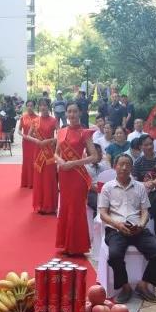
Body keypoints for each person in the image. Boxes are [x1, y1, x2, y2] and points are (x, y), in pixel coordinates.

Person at [99, 153, 156, 304]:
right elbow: (103, 213)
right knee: (114, 255)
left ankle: (143, 285)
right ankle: (125, 287)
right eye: (121, 164)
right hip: (116, 229)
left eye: (127, 165)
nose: (124, 168)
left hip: (138, 229)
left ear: (131, 168)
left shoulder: (140, 187)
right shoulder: (107, 187)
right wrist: (117, 224)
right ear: (115, 166)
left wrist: (141, 225)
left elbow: (145, 211)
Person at [55, 103, 99, 256]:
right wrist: (61, 162)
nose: (72, 114)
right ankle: (66, 244)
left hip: (77, 175)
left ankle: (77, 246)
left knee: (76, 209)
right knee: (66, 207)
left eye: (75, 111)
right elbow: (55, 153)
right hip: (64, 174)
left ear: (80, 113)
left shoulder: (85, 133)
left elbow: (94, 156)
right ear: (66, 114)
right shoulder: (61, 132)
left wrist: (73, 163)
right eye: (69, 111)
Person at [131, 136, 156, 226]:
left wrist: (154, 182)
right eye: (146, 145)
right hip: (145, 190)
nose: (149, 147)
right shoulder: (138, 162)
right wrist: (145, 184)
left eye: (151, 144)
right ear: (140, 147)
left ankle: (149, 213)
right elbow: (134, 180)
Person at [29, 98, 59, 215]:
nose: (43, 107)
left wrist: (50, 140)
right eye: (41, 105)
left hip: (49, 154)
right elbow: (28, 135)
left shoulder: (54, 120)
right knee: (39, 179)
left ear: (49, 107)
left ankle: (50, 206)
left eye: (45, 105)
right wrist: (37, 141)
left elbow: (60, 136)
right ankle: (40, 205)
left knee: (49, 179)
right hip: (38, 152)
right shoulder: (35, 121)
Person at [18, 99, 38, 188]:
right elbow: (19, 130)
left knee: (34, 160)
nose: (29, 107)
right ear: (26, 107)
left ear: (34, 107)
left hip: (34, 142)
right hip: (26, 142)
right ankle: (26, 182)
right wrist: (23, 135)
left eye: (31, 106)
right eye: (28, 106)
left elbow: (39, 131)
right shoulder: (23, 117)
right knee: (26, 161)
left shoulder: (38, 118)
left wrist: (35, 135)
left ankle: (34, 182)